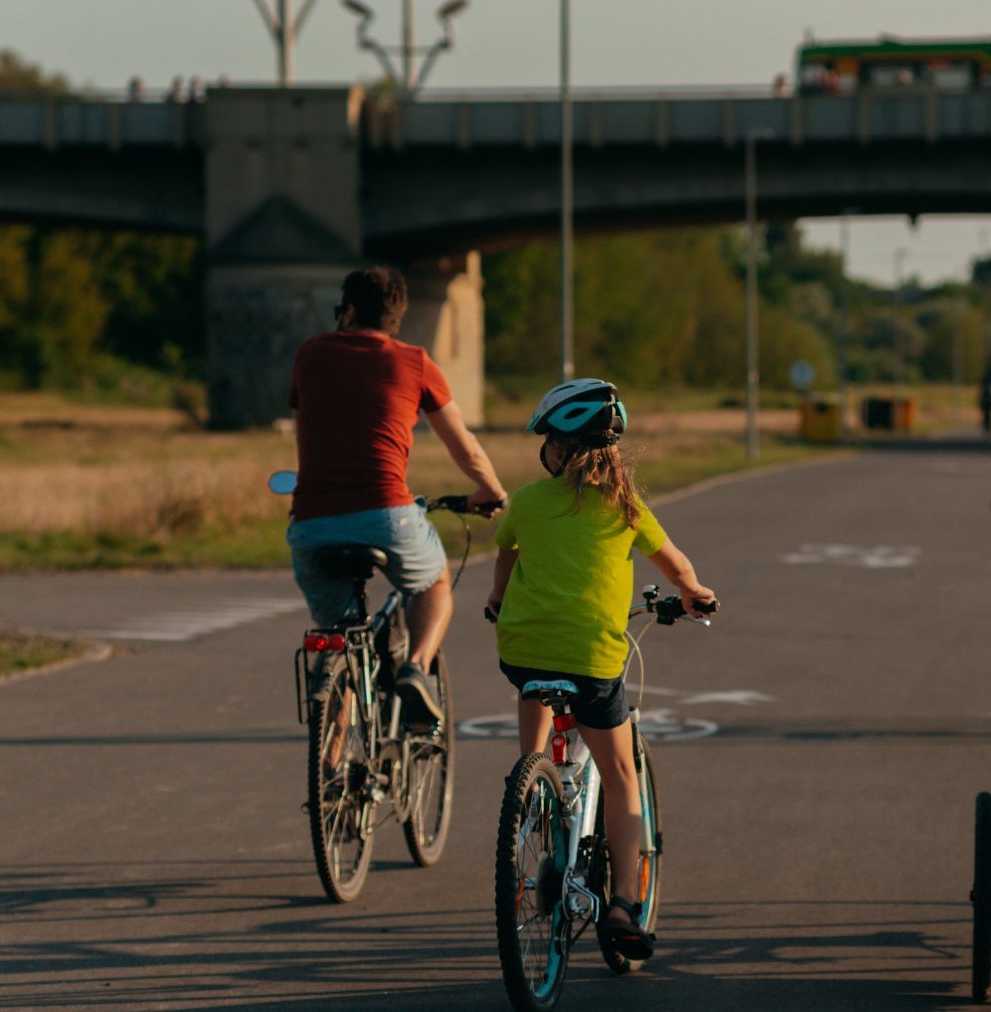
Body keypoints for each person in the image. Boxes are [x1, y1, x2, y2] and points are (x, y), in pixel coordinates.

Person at [486, 379, 715, 961]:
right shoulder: (627, 508)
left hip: (521, 653)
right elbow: (678, 564)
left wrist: (496, 597)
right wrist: (693, 593)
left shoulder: (527, 502)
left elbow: (507, 555)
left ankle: (532, 781)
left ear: (558, 449)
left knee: (533, 688)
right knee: (619, 775)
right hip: (592, 663)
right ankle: (621, 904)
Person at [287, 264, 507, 724]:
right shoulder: (414, 362)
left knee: (340, 637)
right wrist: (490, 490)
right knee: (433, 583)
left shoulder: (310, 354)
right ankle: (415, 668)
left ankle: (331, 774)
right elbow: (462, 444)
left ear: (347, 311)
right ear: (396, 318)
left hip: (311, 522)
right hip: (387, 514)